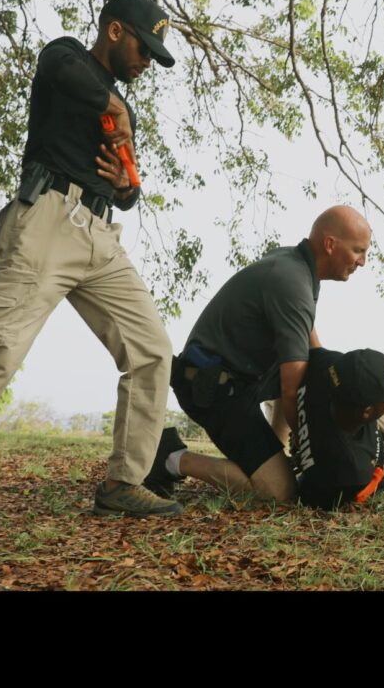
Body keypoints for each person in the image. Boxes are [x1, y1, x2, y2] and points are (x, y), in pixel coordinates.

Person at [0, 0, 181, 523]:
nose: (147, 61)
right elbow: (64, 72)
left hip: (101, 237)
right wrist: (114, 107)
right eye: (144, 49)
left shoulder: (123, 109)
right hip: (46, 221)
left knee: (153, 351)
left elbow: (126, 182)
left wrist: (127, 188)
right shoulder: (66, 58)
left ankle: (125, 482)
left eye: (155, 55)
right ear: (116, 31)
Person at [146, 207, 372, 503]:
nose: (362, 262)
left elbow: (311, 352)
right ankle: (171, 457)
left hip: (242, 378)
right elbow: (291, 388)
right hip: (214, 388)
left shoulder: (298, 266)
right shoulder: (292, 282)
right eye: (358, 251)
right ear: (330, 244)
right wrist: (311, 448)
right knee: (280, 491)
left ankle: (273, 452)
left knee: (304, 368)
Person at [149, 347, 384, 508]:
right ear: (368, 408)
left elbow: (307, 353)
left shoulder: (327, 368)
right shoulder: (346, 470)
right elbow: (305, 491)